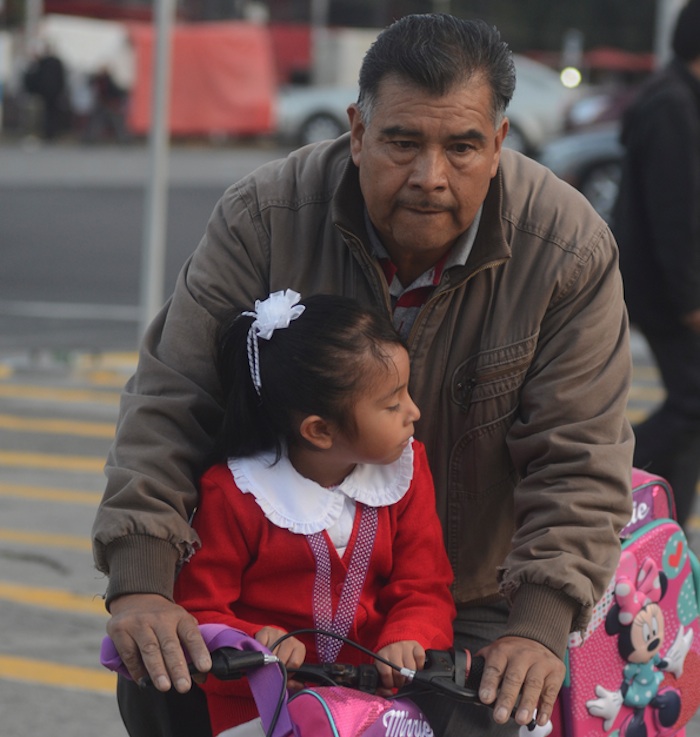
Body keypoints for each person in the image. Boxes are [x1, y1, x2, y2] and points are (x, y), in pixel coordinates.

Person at [92, 13, 634, 737]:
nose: (429, 176)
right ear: (357, 131)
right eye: (402, 142)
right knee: (160, 682)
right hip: (270, 594)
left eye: (463, 147)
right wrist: (141, 585)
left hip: (469, 598)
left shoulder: (567, 248)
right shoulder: (266, 215)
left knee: (495, 714)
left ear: (499, 144)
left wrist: (539, 625)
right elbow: (171, 397)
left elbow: (580, 458)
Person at [170, 290, 455, 736]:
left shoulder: (407, 472)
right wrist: (251, 637)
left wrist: (410, 635)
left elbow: (424, 584)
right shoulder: (235, 494)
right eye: (392, 402)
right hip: (257, 708)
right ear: (320, 430)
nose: (414, 412)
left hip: (370, 706)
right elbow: (199, 608)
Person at [613, 0, 700, 530]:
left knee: (691, 413)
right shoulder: (673, 107)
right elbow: (675, 217)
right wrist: (692, 302)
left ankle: (670, 530)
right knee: (692, 405)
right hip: (668, 291)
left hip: (666, 286)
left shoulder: (679, 98)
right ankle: (606, 472)